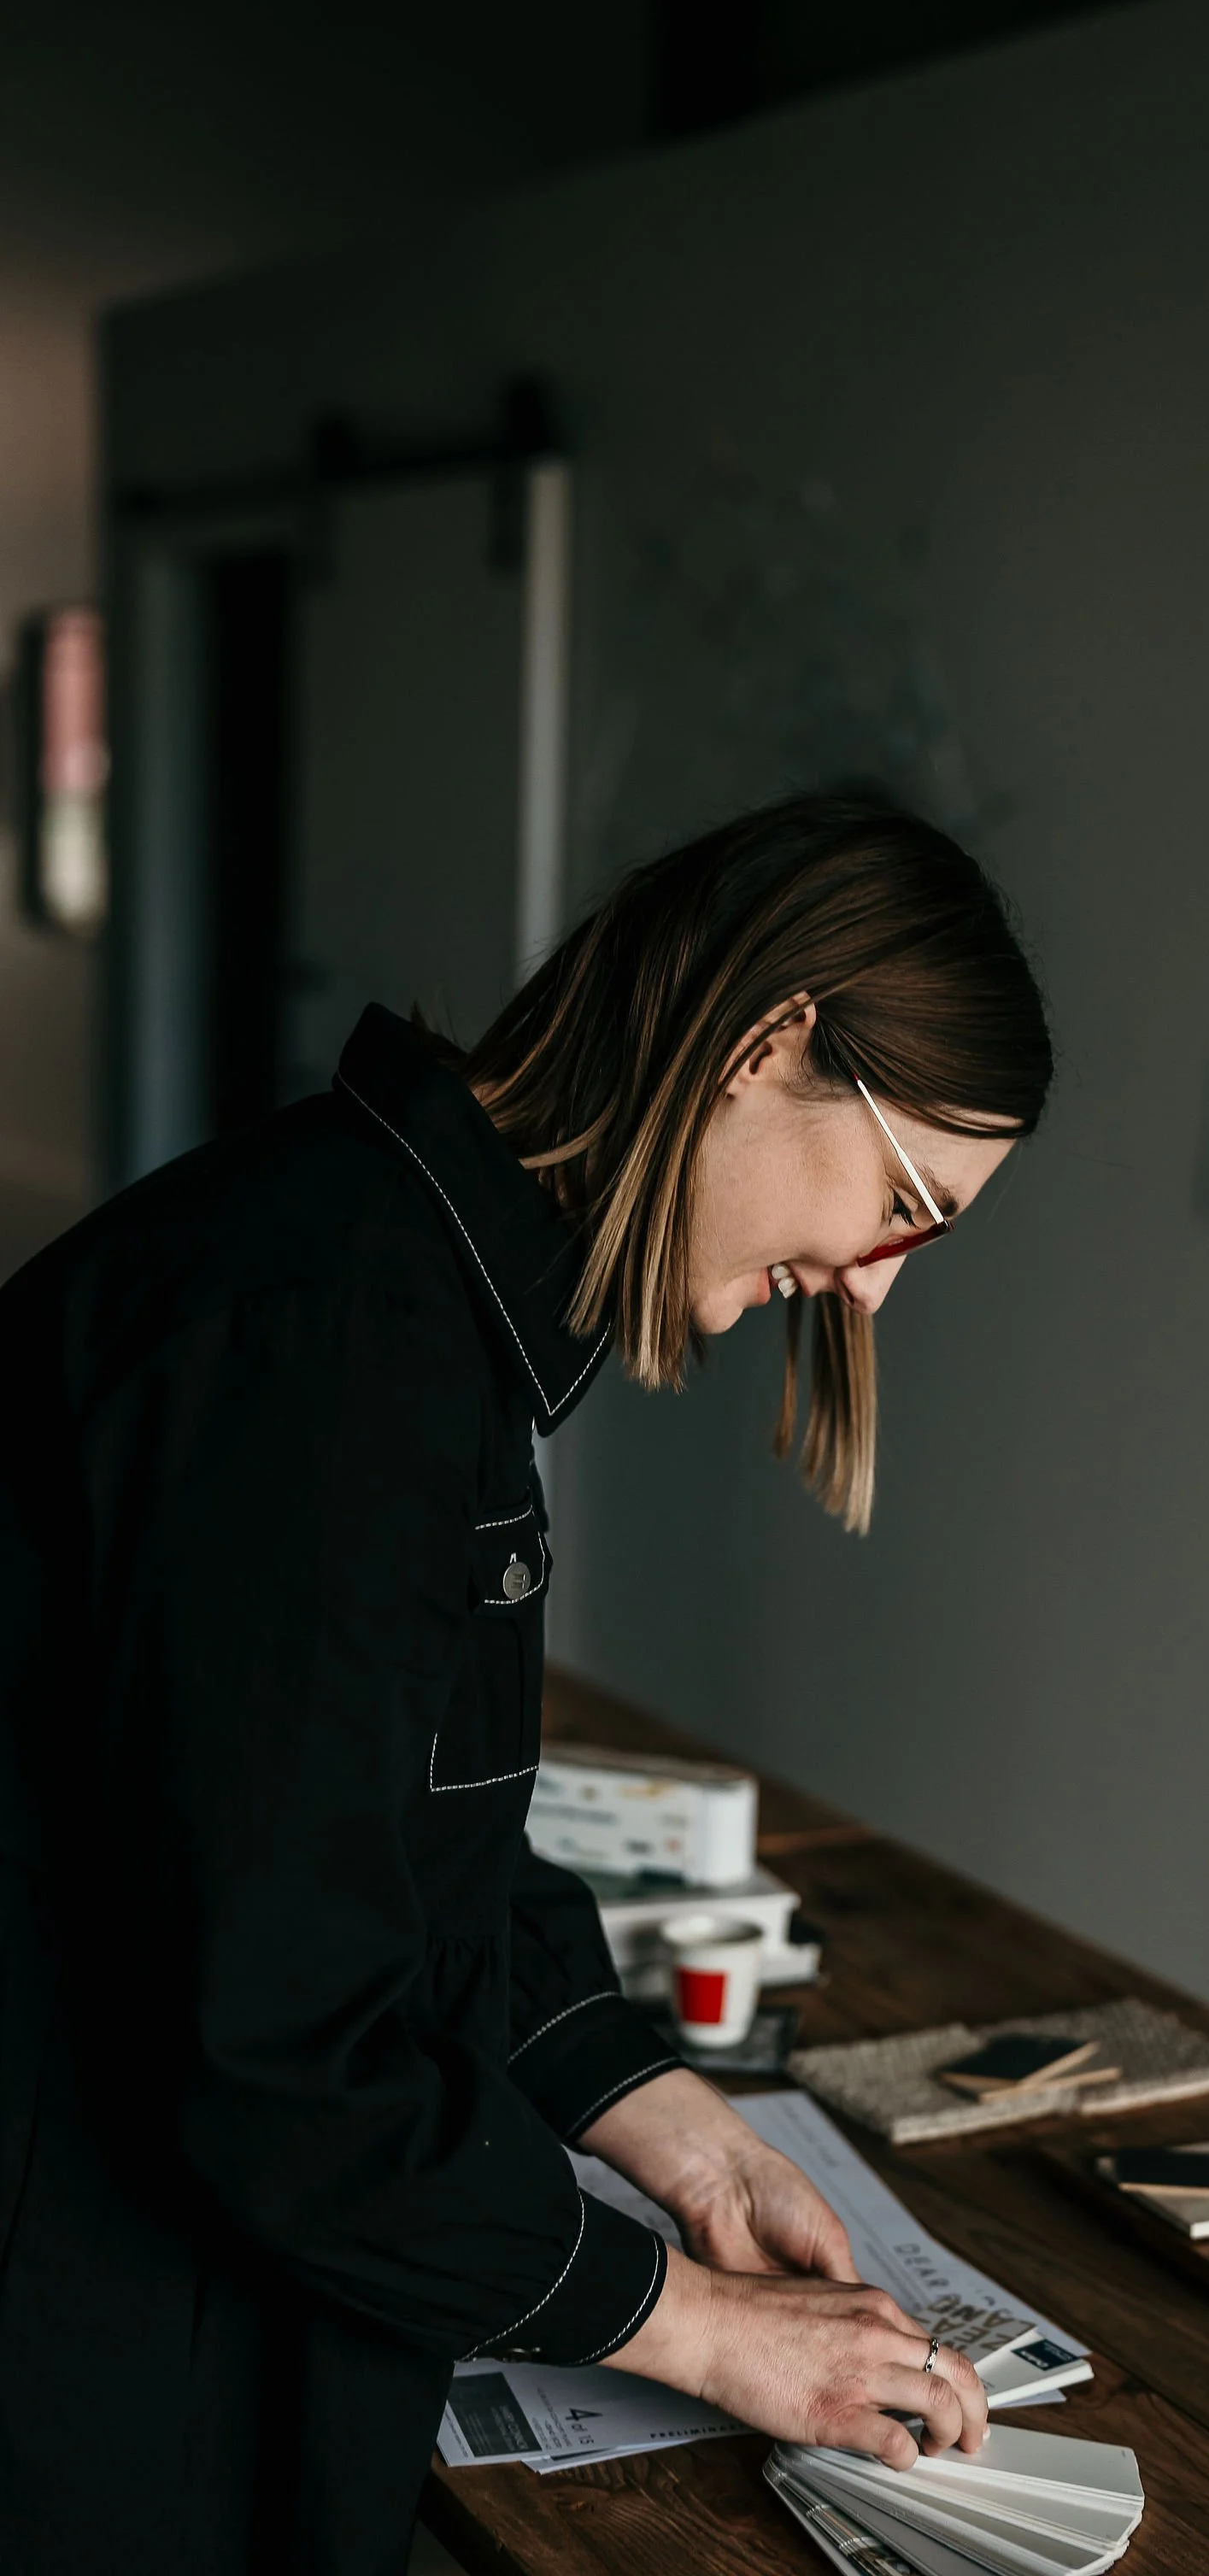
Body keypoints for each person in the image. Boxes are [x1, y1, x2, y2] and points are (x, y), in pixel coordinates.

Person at [0, 794, 1054, 2576]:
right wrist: (701, 2327)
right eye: (899, 1207)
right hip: (77, 2338)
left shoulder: (405, 1284)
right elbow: (284, 2047)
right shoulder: (337, 1356)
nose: (869, 1295)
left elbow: (396, 1845)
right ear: (767, 1041)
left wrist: (677, 2137)